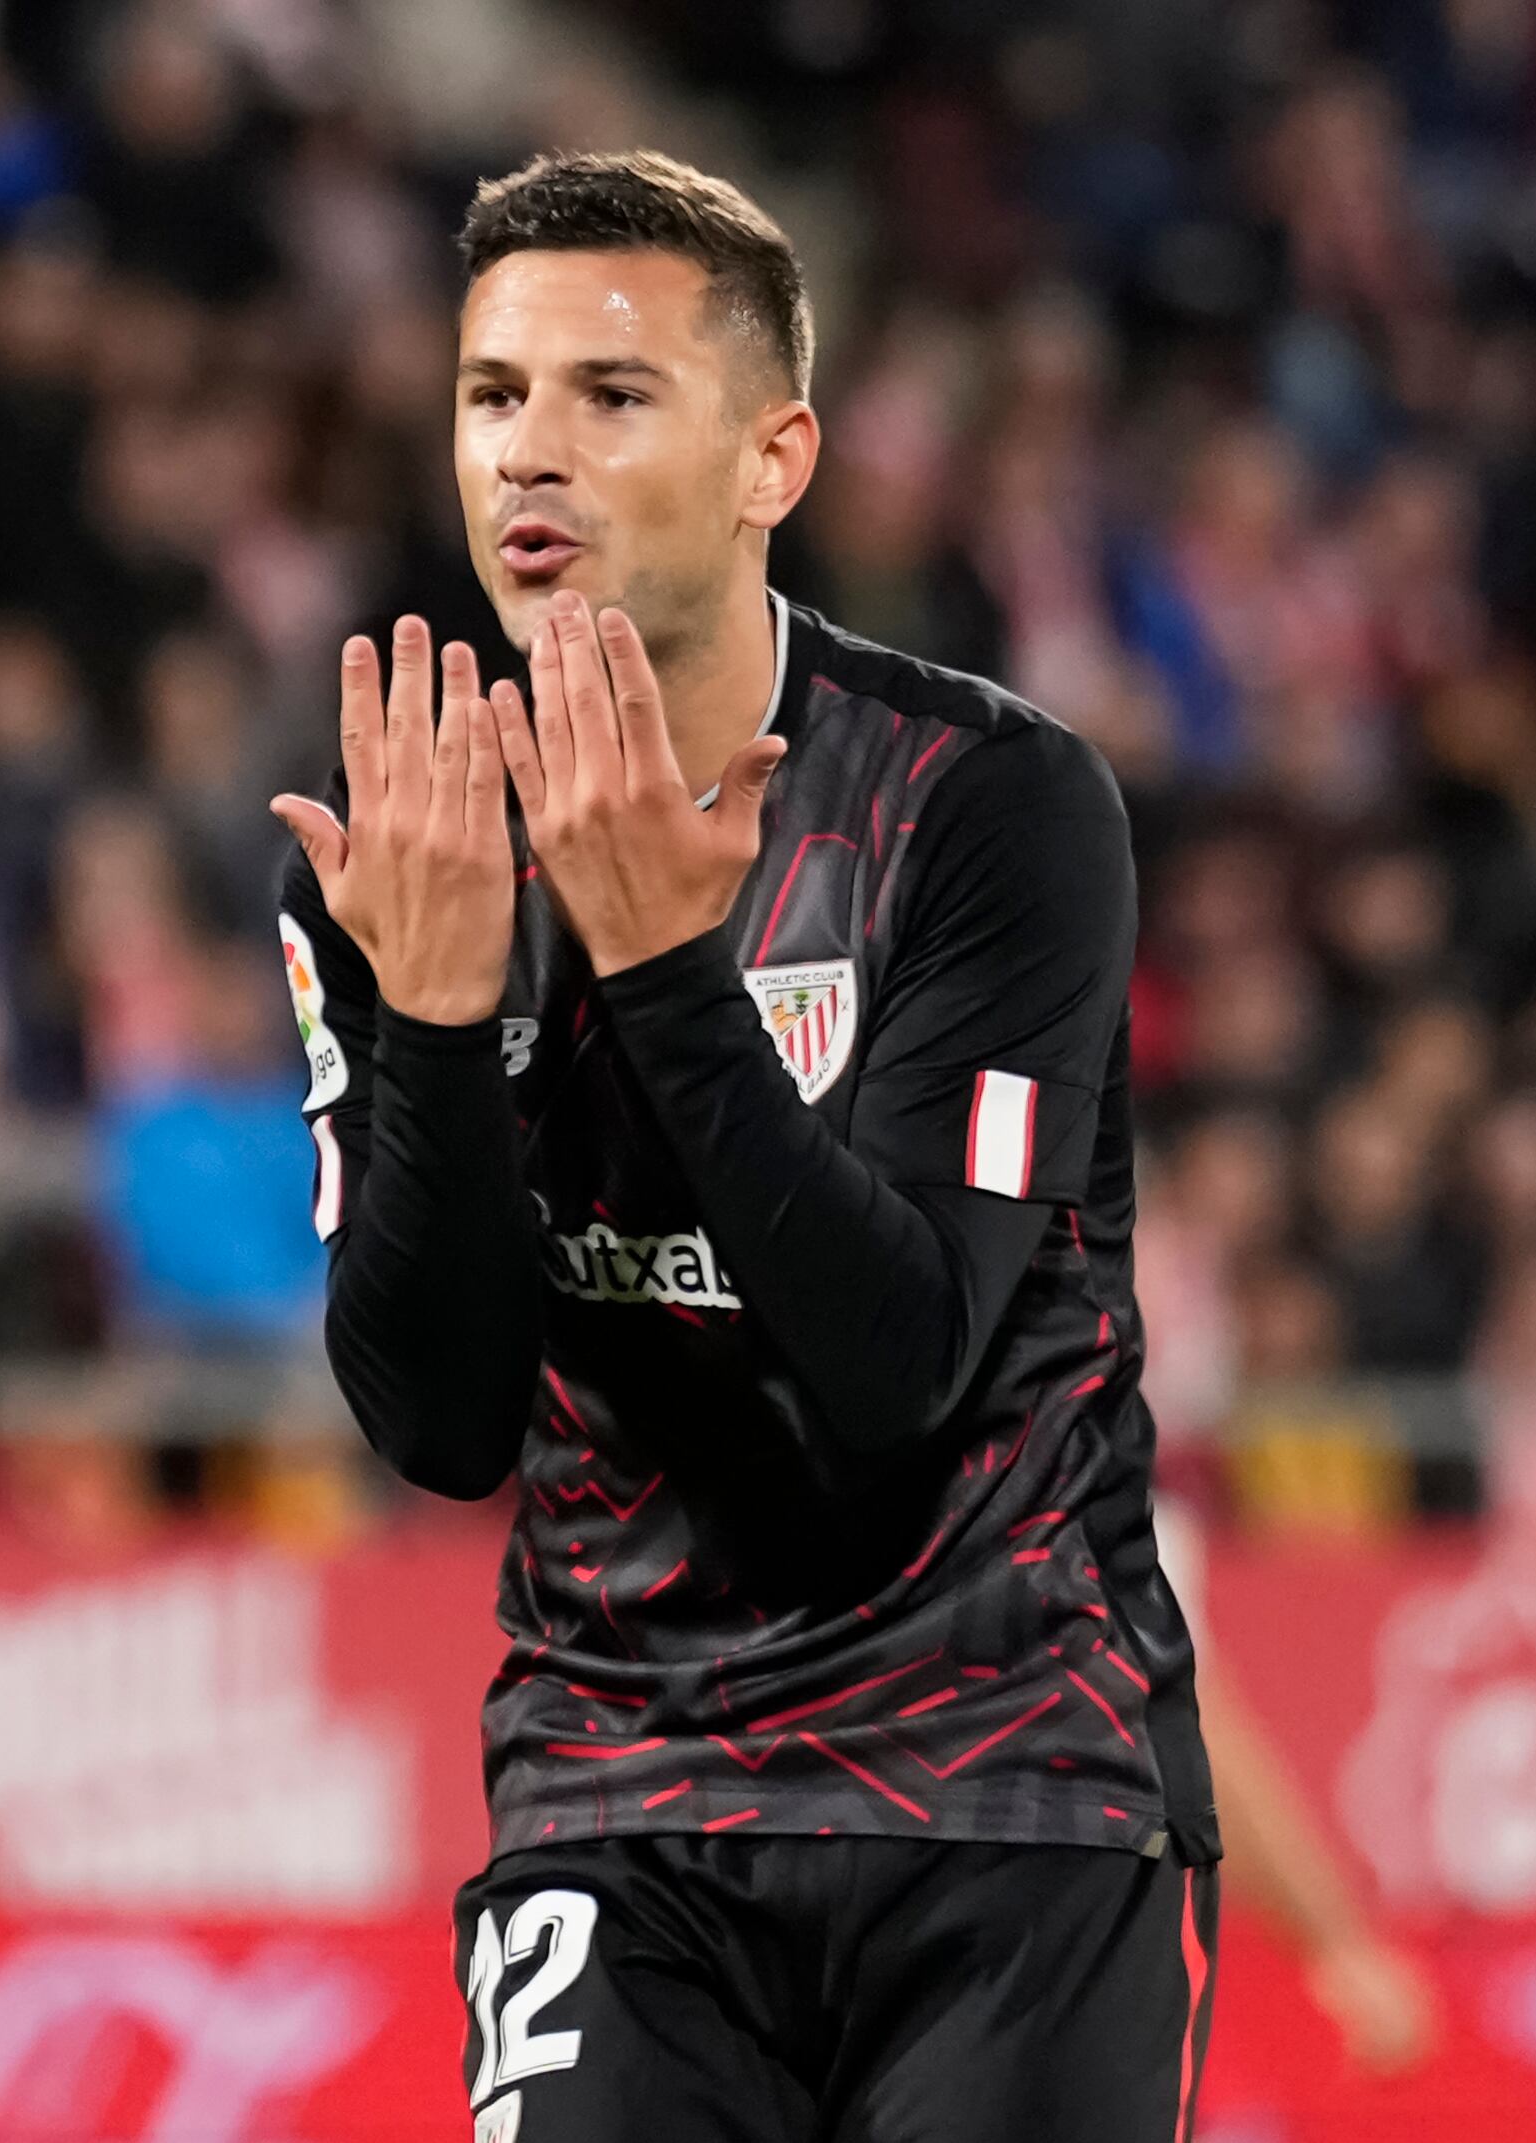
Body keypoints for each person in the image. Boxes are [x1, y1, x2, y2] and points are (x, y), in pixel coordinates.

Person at [271, 153, 1218, 2141]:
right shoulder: (412, 843)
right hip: (618, 1801)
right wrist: (435, 1024)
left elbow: (895, 1363)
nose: (532, 451)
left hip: (1007, 1789)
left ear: (773, 457)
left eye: (611, 397)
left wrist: (656, 970)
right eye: (491, 393)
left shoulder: (993, 808)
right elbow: (440, 1425)